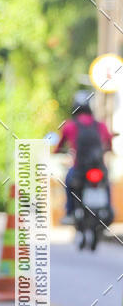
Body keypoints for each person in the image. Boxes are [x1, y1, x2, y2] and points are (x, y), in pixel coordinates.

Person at [55, 91, 113, 224]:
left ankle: (69, 212)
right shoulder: (100, 125)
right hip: (98, 166)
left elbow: (59, 145)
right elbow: (108, 142)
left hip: (79, 168)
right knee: (106, 184)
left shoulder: (70, 125)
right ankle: (108, 209)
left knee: (69, 182)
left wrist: (57, 151)